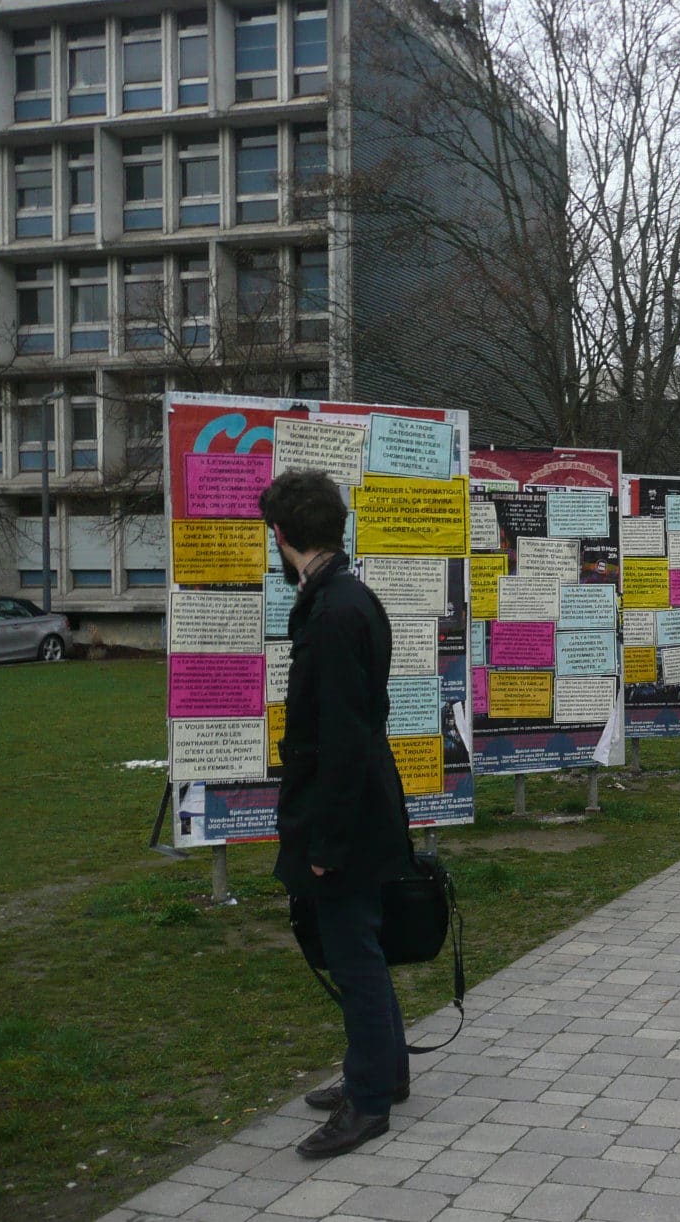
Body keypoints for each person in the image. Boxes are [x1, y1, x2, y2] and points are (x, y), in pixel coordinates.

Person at [260, 470, 412, 1161]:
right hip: (361, 805)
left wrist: (325, 841)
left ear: (281, 535)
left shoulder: (333, 613)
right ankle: (381, 1071)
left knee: (353, 956)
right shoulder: (350, 598)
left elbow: (343, 740)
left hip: (345, 816)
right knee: (363, 953)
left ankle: (369, 1101)